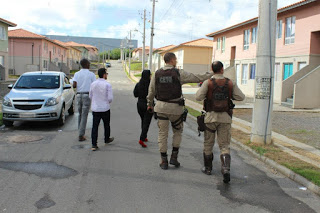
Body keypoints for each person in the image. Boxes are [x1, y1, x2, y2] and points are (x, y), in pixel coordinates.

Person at [147, 52, 213, 170]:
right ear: (172, 60)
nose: (176, 61)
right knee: (177, 132)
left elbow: (151, 91)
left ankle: (163, 161)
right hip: (176, 109)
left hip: (161, 108)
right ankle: (174, 157)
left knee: (162, 134)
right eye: (175, 59)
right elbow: (196, 77)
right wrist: (212, 74)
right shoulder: (178, 73)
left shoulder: (157, 74)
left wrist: (149, 104)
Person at [195, 61, 245, 183]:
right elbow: (241, 97)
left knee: (208, 144)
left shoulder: (208, 83)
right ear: (222, 69)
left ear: (212, 69)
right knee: (224, 145)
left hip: (210, 118)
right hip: (225, 118)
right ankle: (226, 168)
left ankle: (207, 168)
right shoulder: (229, 83)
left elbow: (198, 97)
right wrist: (230, 95)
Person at [89, 68, 114, 151]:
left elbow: (90, 96)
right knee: (106, 124)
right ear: (104, 74)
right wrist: (106, 101)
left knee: (95, 126)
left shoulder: (93, 84)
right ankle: (106, 139)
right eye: (106, 73)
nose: (106, 75)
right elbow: (110, 98)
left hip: (95, 108)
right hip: (105, 108)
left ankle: (94, 144)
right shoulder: (107, 85)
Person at [73, 58, 96, 141]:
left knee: (80, 114)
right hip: (86, 95)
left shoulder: (76, 74)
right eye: (89, 64)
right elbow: (94, 85)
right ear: (86, 64)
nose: (89, 65)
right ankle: (81, 135)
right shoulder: (91, 74)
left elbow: (74, 85)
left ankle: (80, 132)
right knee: (84, 115)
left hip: (78, 95)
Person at [133, 69, 153, 148]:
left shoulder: (138, 84)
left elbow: (135, 94)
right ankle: (141, 138)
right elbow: (155, 95)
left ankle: (144, 136)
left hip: (139, 104)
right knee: (146, 123)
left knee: (143, 120)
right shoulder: (151, 85)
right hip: (148, 105)